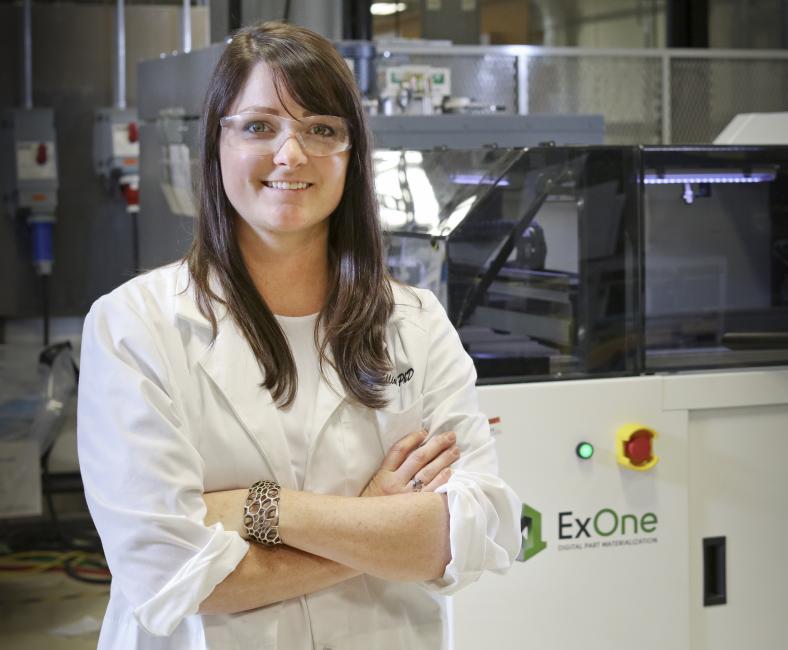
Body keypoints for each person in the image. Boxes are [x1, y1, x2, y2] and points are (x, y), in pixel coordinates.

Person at [77, 21, 521, 650]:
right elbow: (172, 576)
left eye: (321, 129)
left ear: (351, 154)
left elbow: (475, 535)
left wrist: (264, 508)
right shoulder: (135, 326)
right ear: (217, 145)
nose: (292, 154)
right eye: (259, 126)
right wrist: (380, 522)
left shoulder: (415, 324)